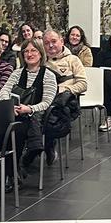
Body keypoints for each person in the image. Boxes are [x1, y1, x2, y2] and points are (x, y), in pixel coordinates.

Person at [0, 39, 58, 186]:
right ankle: (12, 171)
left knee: (16, 130)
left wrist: (29, 109)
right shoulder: (17, 73)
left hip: (34, 116)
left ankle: (10, 173)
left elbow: (47, 102)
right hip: (14, 112)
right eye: (26, 51)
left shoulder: (48, 75)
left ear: (40, 53)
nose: (29, 54)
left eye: (33, 51)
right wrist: (8, 105)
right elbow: (4, 91)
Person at [41, 29, 88, 164]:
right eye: (46, 43)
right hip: (44, 99)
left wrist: (65, 89)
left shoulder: (73, 60)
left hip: (65, 102)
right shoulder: (41, 61)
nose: (50, 46)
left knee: (50, 114)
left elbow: (83, 84)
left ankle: (46, 146)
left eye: (54, 41)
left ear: (62, 41)